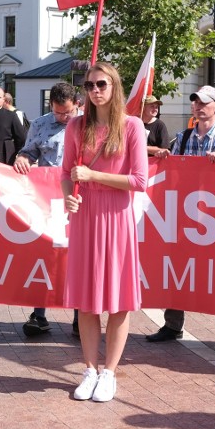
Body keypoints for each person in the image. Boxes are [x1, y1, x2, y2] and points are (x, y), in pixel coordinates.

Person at [62, 62, 147, 403]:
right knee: (86, 300)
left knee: (117, 300)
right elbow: (67, 171)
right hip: (85, 218)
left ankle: (109, 372)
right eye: (89, 85)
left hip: (116, 217)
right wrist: (68, 193)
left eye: (101, 84)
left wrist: (93, 177)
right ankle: (89, 369)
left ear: (114, 87)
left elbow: (138, 181)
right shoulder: (75, 126)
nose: (94, 90)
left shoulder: (132, 127)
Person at [147, 85, 215, 354]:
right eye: (195, 102)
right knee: (178, 269)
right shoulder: (183, 137)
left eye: (204, 102)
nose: (198, 106)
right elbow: (170, 174)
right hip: (186, 219)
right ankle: (172, 325)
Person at [13, 82, 81, 337]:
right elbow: (29, 151)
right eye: (58, 112)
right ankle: (39, 314)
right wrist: (23, 158)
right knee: (46, 253)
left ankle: (79, 314)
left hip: (79, 199)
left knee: (76, 256)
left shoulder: (88, 124)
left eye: (67, 112)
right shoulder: (41, 124)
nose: (63, 118)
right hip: (47, 201)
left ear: (77, 104)